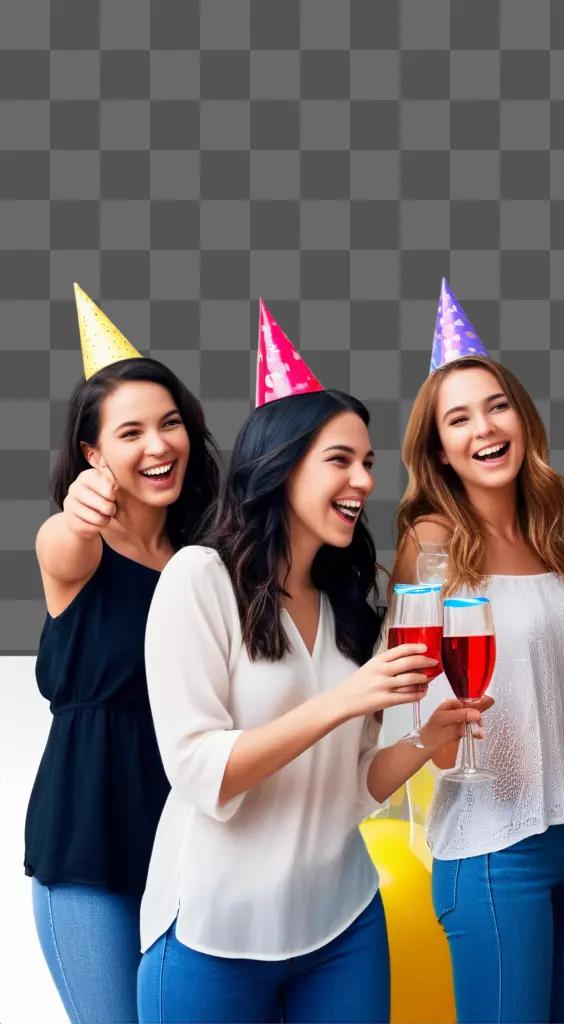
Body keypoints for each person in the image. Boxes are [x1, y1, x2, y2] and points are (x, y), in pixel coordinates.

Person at [136, 302, 479, 1023]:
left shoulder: (346, 603)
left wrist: (425, 741)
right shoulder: (199, 580)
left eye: (368, 464)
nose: (362, 481)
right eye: (340, 460)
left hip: (342, 926)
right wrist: (345, 699)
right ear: (280, 465)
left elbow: (353, 788)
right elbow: (200, 772)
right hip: (211, 936)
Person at [390, 280, 564, 1023]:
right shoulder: (432, 544)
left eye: (496, 405)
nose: (484, 427)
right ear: (440, 449)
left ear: (521, 417)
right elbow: (424, 711)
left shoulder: (560, 534)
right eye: (459, 418)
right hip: (493, 847)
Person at [25, 285, 221, 1023]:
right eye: (131, 431)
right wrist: (78, 512)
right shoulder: (73, 549)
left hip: (191, 852)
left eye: (169, 424)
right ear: (91, 452)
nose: (158, 445)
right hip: (87, 849)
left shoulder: (204, 558)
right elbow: (60, 542)